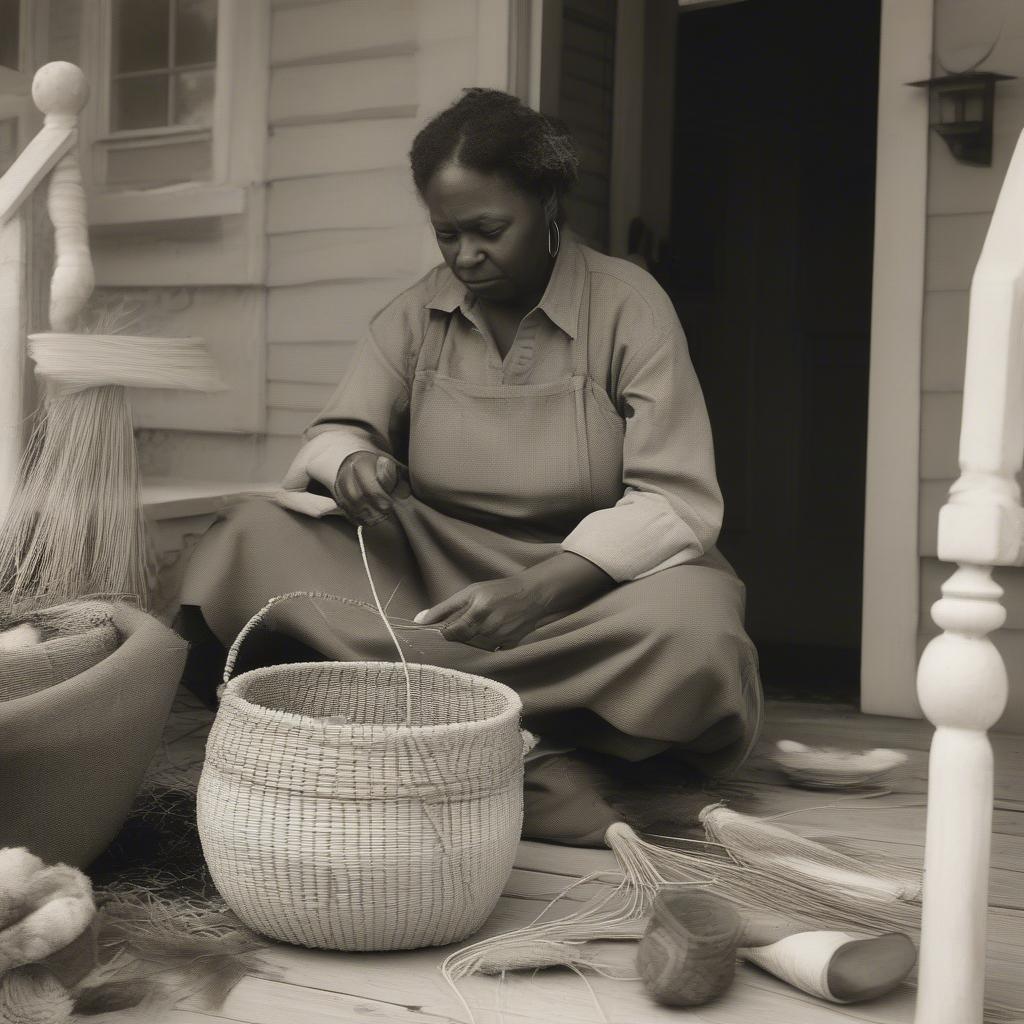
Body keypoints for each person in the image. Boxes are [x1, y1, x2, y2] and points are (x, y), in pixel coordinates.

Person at [175, 88, 763, 846]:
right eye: (446, 234)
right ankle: (530, 743)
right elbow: (338, 427)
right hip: (436, 573)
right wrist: (353, 461)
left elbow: (675, 500)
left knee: (697, 632)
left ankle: (465, 724)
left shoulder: (629, 307)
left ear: (549, 203)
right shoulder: (418, 312)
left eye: (488, 231)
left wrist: (537, 592)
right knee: (247, 535)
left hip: (591, 589)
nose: (465, 256)